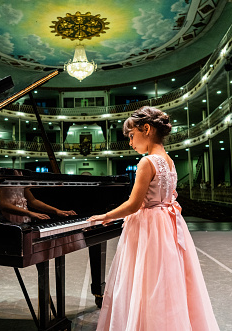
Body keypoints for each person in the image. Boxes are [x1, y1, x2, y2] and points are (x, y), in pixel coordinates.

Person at [88, 106, 219, 330]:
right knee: (165, 280)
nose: (130, 143)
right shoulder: (169, 161)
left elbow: (133, 204)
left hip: (148, 227)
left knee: (144, 280)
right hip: (166, 227)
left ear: (146, 129)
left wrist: (106, 216)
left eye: (131, 136)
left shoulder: (147, 162)